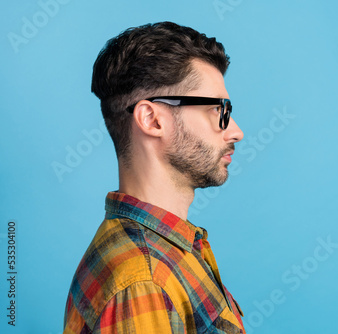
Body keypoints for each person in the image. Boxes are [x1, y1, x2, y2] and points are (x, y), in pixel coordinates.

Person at [63, 21, 246, 333]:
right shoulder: (141, 280)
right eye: (219, 111)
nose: (236, 132)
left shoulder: (170, 248)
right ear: (152, 119)